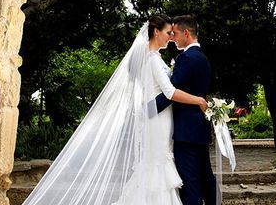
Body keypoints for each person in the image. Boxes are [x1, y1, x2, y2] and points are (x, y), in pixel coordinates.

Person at [22, 14, 207, 205]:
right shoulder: (152, 59)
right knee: (157, 165)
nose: (170, 37)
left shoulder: (154, 58)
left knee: (155, 165)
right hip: (158, 121)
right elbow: (169, 92)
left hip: (159, 119)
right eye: (168, 32)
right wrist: (199, 101)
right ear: (155, 32)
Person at [155, 15, 217, 205]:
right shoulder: (203, 58)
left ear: (186, 33)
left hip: (186, 131)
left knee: (189, 181)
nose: (172, 38)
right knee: (205, 176)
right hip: (199, 127)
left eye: (175, 33)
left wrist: (147, 110)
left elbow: (170, 92)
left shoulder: (187, 58)